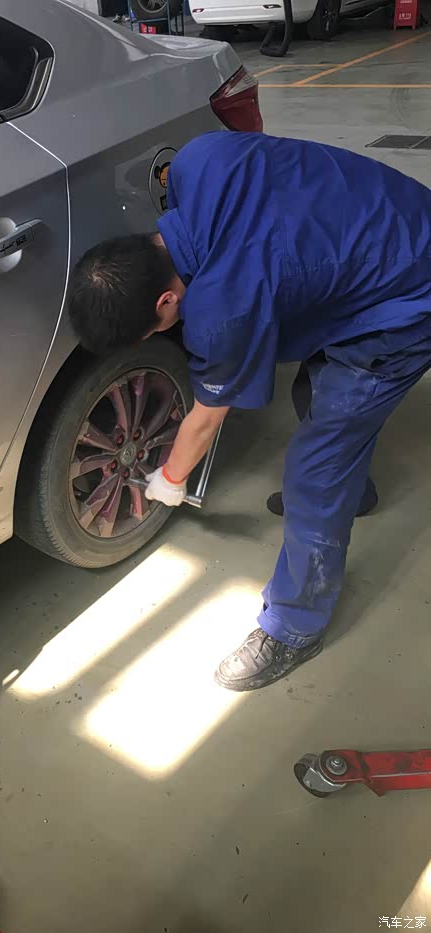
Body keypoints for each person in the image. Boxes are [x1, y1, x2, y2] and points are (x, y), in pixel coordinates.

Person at [67, 131, 431, 691]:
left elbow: (206, 418)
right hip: (400, 218)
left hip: (410, 298)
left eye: (154, 328)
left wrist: (169, 480)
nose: (160, 333)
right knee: (315, 394)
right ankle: (352, 494)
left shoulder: (222, 313)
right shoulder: (196, 159)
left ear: (166, 300)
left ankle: (294, 627)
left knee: (315, 471)